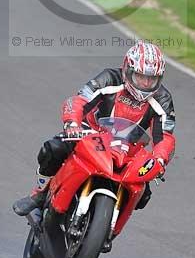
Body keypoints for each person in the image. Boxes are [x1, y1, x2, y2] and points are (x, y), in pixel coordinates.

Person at [12, 41, 176, 217]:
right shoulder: (109, 78)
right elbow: (79, 100)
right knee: (54, 148)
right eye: (140, 76)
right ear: (128, 70)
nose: (145, 83)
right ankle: (40, 192)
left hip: (129, 149)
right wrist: (72, 124)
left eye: (152, 79)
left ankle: (109, 226)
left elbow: (164, 136)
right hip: (92, 133)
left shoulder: (163, 99)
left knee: (143, 194)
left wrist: (160, 159)